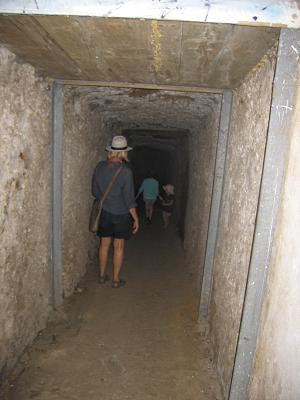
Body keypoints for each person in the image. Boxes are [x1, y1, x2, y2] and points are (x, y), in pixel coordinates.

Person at [92, 136, 139, 288]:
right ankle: (116, 280)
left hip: (105, 212)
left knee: (104, 245)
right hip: (122, 215)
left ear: (111, 151)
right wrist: (136, 218)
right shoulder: (126, 172)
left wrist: (107, 200)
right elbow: (129, 199)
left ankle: (101, 276)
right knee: (118, 247)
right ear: (124, 153)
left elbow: (95, 191)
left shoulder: (99, 167)